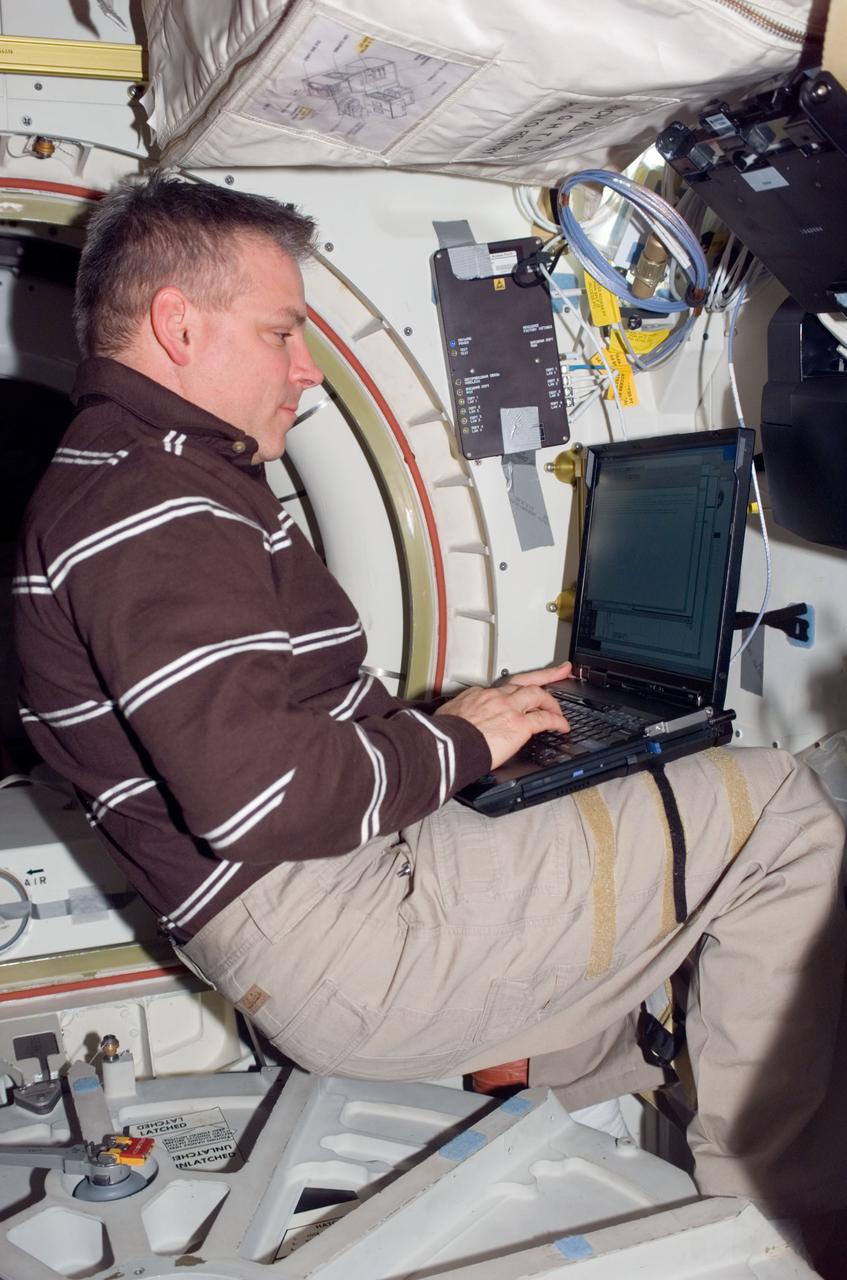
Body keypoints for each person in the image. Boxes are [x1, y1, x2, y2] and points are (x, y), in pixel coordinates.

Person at [13, 175, 846, 1251]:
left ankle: (573, 1113)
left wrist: (457, 723)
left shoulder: (132, 473)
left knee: (595, 794)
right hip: (348, 932)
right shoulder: (155, 502)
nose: (305, 368)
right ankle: (773, 1224)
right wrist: (458, 742)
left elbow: (265, 731)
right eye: (280, 332)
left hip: (318, 910)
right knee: (776, 807)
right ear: (178, 325)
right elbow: (259, 795)